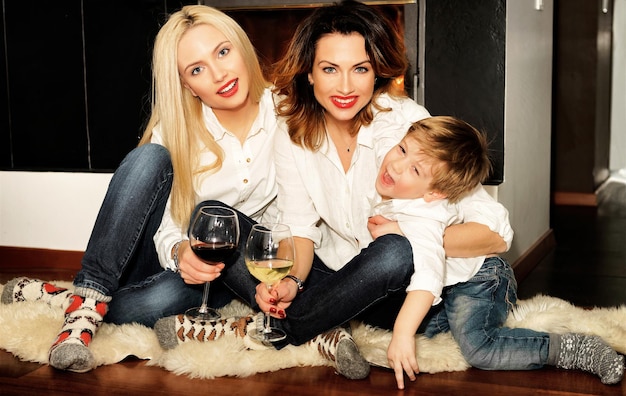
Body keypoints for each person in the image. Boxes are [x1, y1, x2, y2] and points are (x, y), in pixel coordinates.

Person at [154, 0, 508, 380]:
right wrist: (291, 281)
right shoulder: (294, 133)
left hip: (403, 295)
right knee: (216, 217)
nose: (344, 87)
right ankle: (320, 329)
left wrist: (409, 234)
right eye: (329, 69)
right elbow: (302, 231)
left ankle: (258, 331)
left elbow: (496, 236)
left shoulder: (405, 125)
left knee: (393, 251)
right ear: (309, 73)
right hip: (339, 284)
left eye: (360, 69)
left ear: (376, 74)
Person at [1, 5, 279, 373]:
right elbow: (166, 224)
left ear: (242, 47)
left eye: (223, 52)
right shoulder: (177, 129)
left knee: (154, 303)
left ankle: (68, 299)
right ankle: (88, 301)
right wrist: (181, 252)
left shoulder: (288, 114)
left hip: (228, 267)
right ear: (185, 84)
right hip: (160, 253)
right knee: (149, 156)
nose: (219, 74)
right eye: (197, 69)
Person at [371, 116, 624, 388]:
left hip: (481, 279)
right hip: (452, 285)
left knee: (480, 347)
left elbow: (428, 277)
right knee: (432, 333)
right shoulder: (403, 193)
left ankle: (573, 348)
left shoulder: (424, 219)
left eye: (415, 170)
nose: (396, 165)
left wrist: (402, 334)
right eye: (402, 149)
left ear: (436, 193)